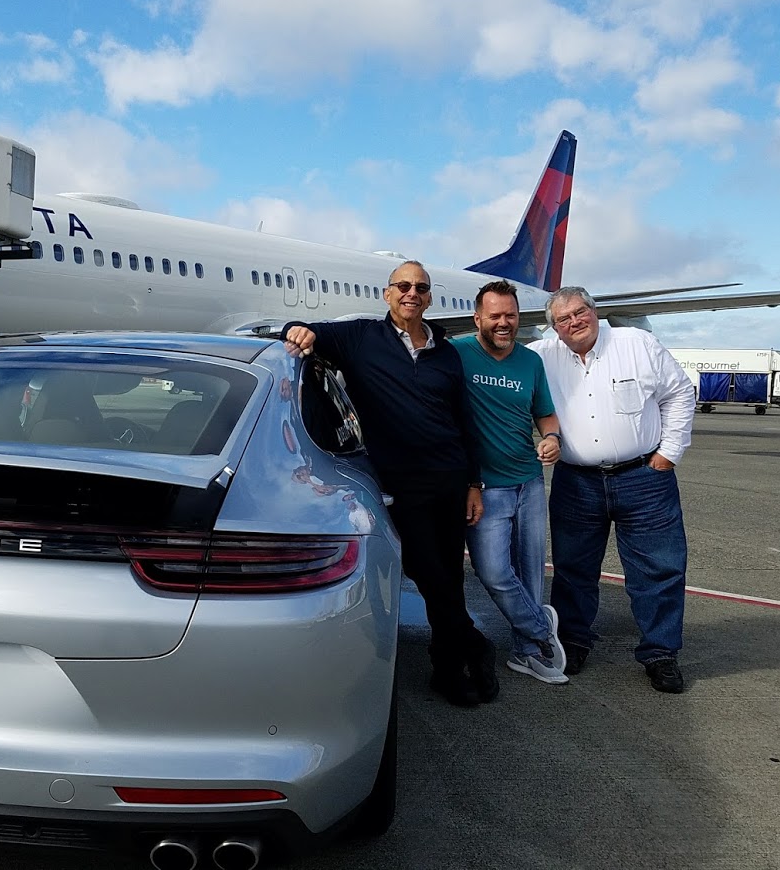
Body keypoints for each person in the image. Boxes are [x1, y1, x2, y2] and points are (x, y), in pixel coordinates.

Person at [283, 261, 500, 707]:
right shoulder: (362, 337)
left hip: (450, 478)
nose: (411, 293)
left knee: (449, 576)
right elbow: (300, 330)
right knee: (426, 571)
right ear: (388, 293)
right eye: (403, 285)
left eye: (420, 287)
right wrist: (297, 330)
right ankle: (475, 644)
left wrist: (474, 482)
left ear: (429, 297)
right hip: (401, 483)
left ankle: (447, 669)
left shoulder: (445, 352)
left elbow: (464, 419)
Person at [528, 287, 695, 693]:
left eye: (580, 312)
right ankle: (573, 642)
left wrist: (668, 454)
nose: (574, 322)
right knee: (572, 569)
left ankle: (660, 653)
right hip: (576, 481)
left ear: (594, 310)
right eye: (563, 319)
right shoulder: (541, 356)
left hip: (644, 478)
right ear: (554, 328)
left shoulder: (637, 344)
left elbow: (679, 393)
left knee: (659, 569)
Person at [454, 280, 568, 685]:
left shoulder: (530, 361)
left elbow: (545, 414)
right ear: (477, 318)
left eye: (511, 316)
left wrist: (552, 438)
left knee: (530, 572)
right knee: (493, 573)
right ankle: (541, 628)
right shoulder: (457, 354)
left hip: (529, 483)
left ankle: (527, 653)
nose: (504, 323)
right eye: (495, 316)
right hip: (484, 489)